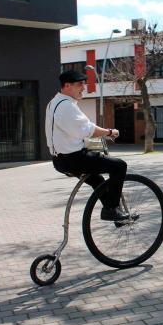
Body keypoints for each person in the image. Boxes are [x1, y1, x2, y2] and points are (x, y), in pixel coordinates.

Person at [45, 70, 129, 221]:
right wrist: (110, 132)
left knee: (97, 180)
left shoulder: (53, 103)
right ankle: (111, 210)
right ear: (67, 86)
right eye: (79, 84)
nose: (83, 88)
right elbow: (89, 130)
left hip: (59, 160)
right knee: (119, 166)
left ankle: (112, 212)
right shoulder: (66, 106)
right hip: (74, 159)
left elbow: (77, 129)